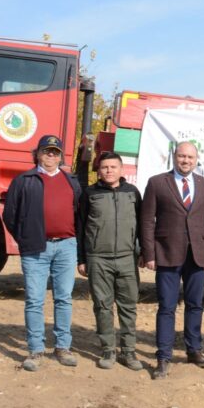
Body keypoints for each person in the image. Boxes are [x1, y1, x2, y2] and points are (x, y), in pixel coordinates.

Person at [140, 141, 204, 379]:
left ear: (196, 160)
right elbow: (146, 221)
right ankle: (163, 356)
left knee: (195, 305)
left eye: (190, 158)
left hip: (198, 256)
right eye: (182, 156)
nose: (186, 161)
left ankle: (193, 350)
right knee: (167, 306)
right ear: (174, 157)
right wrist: (149, 253)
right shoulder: (157, 183)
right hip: (167, 253)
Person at [3, 134, 82, 372]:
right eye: (47, 151)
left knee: (63, 298)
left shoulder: (71, 182)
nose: (51, 156)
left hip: (66, 246)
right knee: (35, 301)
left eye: (55, 152)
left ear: (61, 156)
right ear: (37, 154)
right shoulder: (24, 180)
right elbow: (10, 215)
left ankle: (62, 347)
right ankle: (35, 350)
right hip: (36, 249)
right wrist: (25, 239)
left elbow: (79, 213)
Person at [77, 151, 144, 371]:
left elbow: (142, 224)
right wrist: (82, 259)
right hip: (98, 259)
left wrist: (143, 251)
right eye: (104, 167)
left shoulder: (132, 192)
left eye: (113, 167)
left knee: (128, 306)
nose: (108, 171)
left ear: (121, 169)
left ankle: (129, 351)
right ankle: (108, 349)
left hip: (126, 258)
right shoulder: (90, 193)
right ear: (99, 170)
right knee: (103, 306)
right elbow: (80, 227)